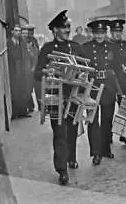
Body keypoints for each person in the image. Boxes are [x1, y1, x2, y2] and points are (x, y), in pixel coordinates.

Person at [34, 10, 84, 185]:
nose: (67, 30)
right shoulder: (47, 49)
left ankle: (71, 157)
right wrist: (47, 71)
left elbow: (86, 67)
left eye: (68, 27)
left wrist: (82, 77)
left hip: (74, 96)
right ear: (55, 30)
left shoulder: (76, 48)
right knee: (60, 133)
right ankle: (62, 170)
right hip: (56, 98)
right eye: (64, 28)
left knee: (72, 130)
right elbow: (37, 72)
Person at [83, 20, 122, 165]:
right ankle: (96, 153)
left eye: (102, 33)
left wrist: (122, 88)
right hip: (92, 86)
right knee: (93, 120)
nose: (99, 36)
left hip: (108, 86)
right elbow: (81, 68)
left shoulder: (112, 47)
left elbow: (118, 68)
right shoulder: (85, 48)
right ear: (93, 34)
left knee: (107, 120)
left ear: (105, 33)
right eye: (96, 33)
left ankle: (105, 149)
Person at [108, 18, 126, 145]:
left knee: (124, 108)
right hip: (109, 82)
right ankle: (108, 135)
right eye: (115, 31)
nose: (118, 34)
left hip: (122, 82)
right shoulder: (107, 45)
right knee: (109, 110)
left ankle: (124, 134)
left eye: (119, 31)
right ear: (110, 32)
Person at [7, 25, 29, 118]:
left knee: (23, 90)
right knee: (14, 91)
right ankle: (14, 113)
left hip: (21, 69)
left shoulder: (22, 42)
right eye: (16, 30)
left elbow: (25, 56)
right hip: (13, 69)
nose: (18, 32)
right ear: (12, 32)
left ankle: (23, 112)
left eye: (19, 30)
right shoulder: (8, 42)